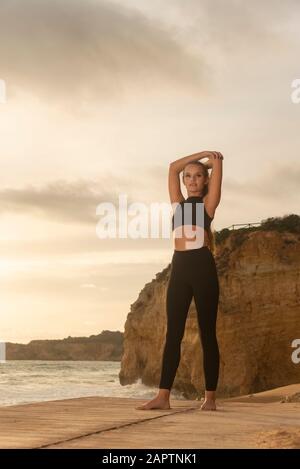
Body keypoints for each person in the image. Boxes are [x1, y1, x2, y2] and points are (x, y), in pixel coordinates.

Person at [135, 150, 223, 411]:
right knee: (172, 334)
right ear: (184, 181)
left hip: (203, 269)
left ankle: (210, 399)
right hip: (179, 270)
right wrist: (203, 157)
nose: (193, 180)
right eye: (189, 177)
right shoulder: (177, 204)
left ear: (205, 181)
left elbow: (217, 163)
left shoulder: (208, 205)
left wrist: (210, 163)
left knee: (208, 334)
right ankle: (163, 397)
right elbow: (172, 167)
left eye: (198, 176)